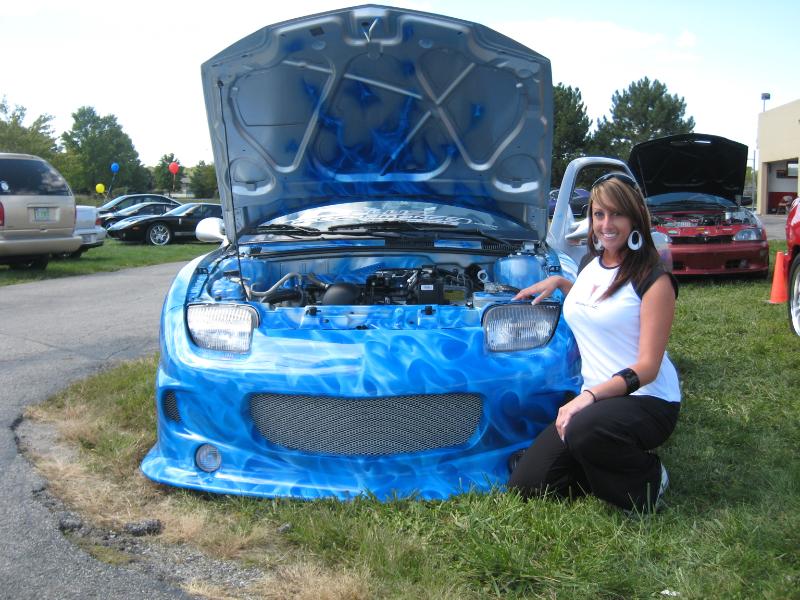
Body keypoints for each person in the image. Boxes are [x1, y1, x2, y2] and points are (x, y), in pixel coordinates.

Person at [507, 173, 681, 513]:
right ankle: (597, 457)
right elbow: (599, 307)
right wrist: (561, 284)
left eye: (617, 214)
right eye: (599, 214)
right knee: (528, 485)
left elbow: (648, 368)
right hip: (598, 400)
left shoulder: (653, 279)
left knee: (585, 430)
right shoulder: (590, 263)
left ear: (634, 218)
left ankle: (650, 478)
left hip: (648, 399)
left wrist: (587, 398)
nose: (606, 224)